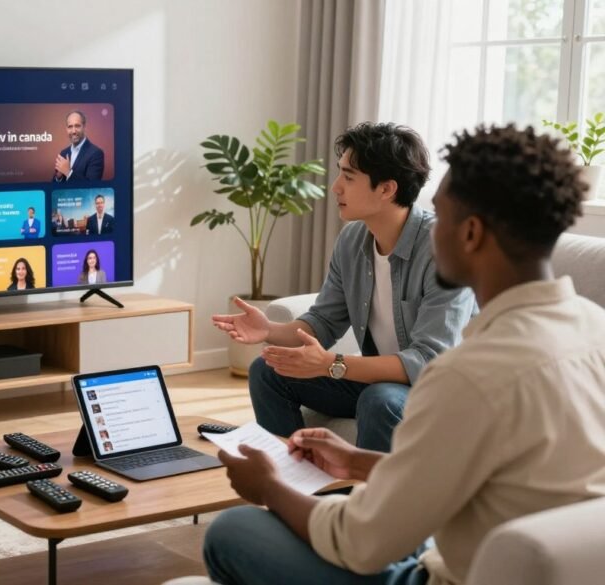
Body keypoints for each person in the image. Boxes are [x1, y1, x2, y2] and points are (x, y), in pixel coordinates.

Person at [202, 124, 605, 585]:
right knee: (274, 377)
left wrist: (268, 488)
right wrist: (356, 462)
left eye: (441, 214)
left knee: (232, 529)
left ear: (469, 232)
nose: (431, 229)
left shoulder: (467, 376)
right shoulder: (596, 330)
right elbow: (486, 480)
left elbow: (360, 544)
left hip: (445, 576)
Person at [212, 122, 476, 452]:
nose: (336, 187)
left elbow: (427, 361)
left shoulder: (442, 250)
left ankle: (363, 502)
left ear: (386, 189)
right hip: (377, 382)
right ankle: (294, 484)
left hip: (438, 391)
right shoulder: (353, 240)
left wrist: (331, 364)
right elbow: (323, 322)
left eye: (349, 177)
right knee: (268, 370)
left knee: (379, 400)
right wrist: (269, 330)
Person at [53, 110, 105, 182]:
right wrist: (58, 177)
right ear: (66, 129)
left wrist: (68, 173)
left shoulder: (96, 153)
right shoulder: (63, 153)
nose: (73, 131)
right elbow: (53, 186)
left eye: (77, 126)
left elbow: (92, 187)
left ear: (84, 127)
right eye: (70, 127)